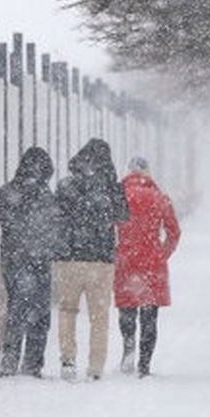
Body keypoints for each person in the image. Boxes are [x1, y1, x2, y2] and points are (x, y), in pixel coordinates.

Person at [54, 138, 129, 382]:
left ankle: (67, 359)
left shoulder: (66, 185)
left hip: (69, 258)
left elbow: (55, 218)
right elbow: (123, 216)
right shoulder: (111, 187)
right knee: (99, 316)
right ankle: (95, 368)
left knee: (67, 310)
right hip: (101, 260)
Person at [0, 147, 65, 377]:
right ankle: (32, 364)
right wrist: (46, 248)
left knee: (16, 308)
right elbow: (55, 228)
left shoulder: (6, 192)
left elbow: (6, 223)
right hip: (39, 262)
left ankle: (10, 359)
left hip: (13, 260)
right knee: (39, 312)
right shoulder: (46, 196)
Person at [115, 156, 181, 378]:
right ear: (147, 172)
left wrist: (117, 250)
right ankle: (144, 364)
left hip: (126, 260)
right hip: (151, 262)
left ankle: (128, 347)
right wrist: (162, 253)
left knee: (127, 309)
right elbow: (174, 232)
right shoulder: (160, 197)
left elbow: (107, 226)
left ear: (129, 171)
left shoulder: (119, 196)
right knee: (149, 314)